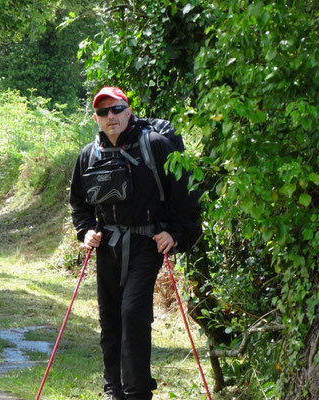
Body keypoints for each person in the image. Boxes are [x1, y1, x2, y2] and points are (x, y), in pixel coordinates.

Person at [69, 87, 200, 400]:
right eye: (103, 112)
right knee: (110, 317)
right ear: (97, 119)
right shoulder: (89, 154)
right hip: (107, 243)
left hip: (146, 242)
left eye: (116, 109)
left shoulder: (155, 146)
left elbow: (188, 193)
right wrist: (85, 230)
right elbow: (79, 201)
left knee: (132, 313)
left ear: (128, 111)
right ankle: (113, 390)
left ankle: (137, 392)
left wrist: (177, 234)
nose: (111, 117)